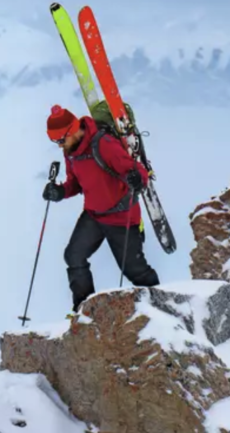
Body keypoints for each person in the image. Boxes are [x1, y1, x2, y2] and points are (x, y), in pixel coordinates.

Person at [42, 105, 160, 313]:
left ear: (72, 131)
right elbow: (75, 183)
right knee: (74, 256)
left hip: (122, 215)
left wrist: (137, 178)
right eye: (55, 142)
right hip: (94, 215)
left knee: (134, 271)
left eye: (61, 140)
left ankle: (161, 308)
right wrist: (60, 192)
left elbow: (137, 172)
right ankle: (84, 312)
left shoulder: (104, 144)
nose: (60, 146)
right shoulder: (71, 152)